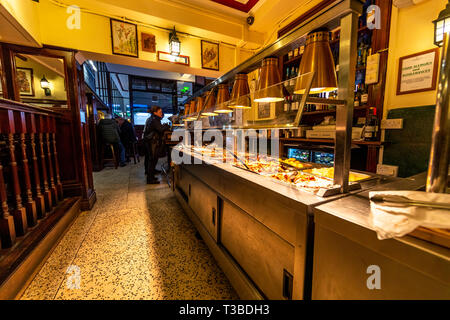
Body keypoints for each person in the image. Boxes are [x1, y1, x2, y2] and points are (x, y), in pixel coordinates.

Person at [143, 106, 170, 184]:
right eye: (160, 112)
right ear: (155, 112)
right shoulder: (155, 120)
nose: (161, 113)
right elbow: (160, 129)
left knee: (151, 160)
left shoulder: (152, 119)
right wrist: (166, 126)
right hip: (153, 142)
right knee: (153, 160)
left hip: (150, 142)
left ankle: (150, 175)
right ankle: (150, 179)